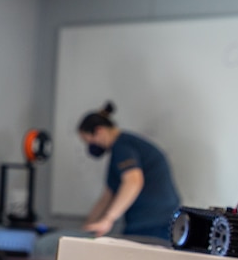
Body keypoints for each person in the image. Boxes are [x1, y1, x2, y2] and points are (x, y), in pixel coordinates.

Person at [78, 101, 181, 240]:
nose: (90, 147)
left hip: (153, 223)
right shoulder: (120, 150)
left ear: (99, 131)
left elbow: (133, 181)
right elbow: (108, 196)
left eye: (89, 141)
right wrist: (87, 228)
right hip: (151, 221)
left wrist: (108, 219)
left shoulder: (122, 147)